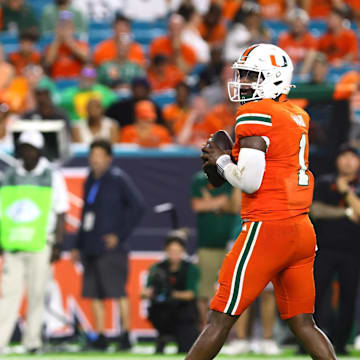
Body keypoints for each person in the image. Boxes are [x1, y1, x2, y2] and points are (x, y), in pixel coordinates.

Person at [186, 43, 337, 360]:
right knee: (303, 323)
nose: (243, 83)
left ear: (275, 79)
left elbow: (250, 180)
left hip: (268, 227)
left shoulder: (256, 112)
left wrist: (223, 161)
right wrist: (227, 161)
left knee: (220, 316)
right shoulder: (297, 115)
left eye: (252, 76)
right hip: (301, 228)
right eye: (243, 76)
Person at [71, 139, 145, 351]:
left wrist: (119, 236)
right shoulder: (89, 179)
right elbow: (85, 213)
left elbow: (138, 207)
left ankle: (125, 336)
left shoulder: (117, 179)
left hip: (112, 248)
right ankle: (101, 336)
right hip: (90, 244)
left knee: (117, 291)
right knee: (94, 293)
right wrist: (78, 244)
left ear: (109, 158)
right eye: (92, 155)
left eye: (98, 155)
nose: (94, 159)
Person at [0, 130, 69, 354]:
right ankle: (1, 341)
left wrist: (58, 244)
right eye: (23, 148)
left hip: (41, 242)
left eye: (30, 148)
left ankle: (32, 341)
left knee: (37, 293)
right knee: (9, 293)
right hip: (14, 242)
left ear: (39, 150)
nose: (26, 152)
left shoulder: (52, 175)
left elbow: (61, 211)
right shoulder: (10, 174)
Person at [310, 144, 360, 355]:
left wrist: (345, 193)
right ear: (337, 160)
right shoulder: (323, 182)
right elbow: (315, 210)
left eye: (352, 157)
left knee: (348, 297)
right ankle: (312, 341)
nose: (348, 161)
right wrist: (346, 213)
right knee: (317, 296)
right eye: (344, 157)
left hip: (352, 251)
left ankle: (340, 344)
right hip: (324, 248)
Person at [190, 170, 241, 327]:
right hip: (208, 244)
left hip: (231, 244)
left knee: (233, 292)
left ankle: (228, 333)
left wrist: (212, 203)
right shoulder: (200, 179)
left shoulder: (232, 178)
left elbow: (235, 207)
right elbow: (198, 205)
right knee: (204, 291)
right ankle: (204, 330)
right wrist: (221, 202)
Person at [141, 229, 200, 354]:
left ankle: (180, 337)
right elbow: (145, 292)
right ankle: (163, 336)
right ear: (166, 251)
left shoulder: (190, 268)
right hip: (163, 311)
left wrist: (170, 292)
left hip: (183, 313)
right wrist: (149, 293)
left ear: (183, 251)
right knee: (159, 312)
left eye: (177, 251)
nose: (174, 255)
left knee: (186, 348)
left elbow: (191, 294)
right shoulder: (157, 268)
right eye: (171, 251)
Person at [43, 11, 90, 79]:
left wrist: (69, 42)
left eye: (68, 26)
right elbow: (48, 62)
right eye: (62, 26)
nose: (64, 29)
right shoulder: (51, 46)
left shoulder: (81, 44)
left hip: (76, 81)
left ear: (72, 29)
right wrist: (58, 41)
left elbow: (85, 58)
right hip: (57, 81)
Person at [278, 8, 318, 76]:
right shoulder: (284, 38)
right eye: (294, 21)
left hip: (305, 72)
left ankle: (301, 78)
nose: (296, 23)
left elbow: (311, 56)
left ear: (305, 24)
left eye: (299, 20)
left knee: (312, 54)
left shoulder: (311, 39)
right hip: (288, 71)